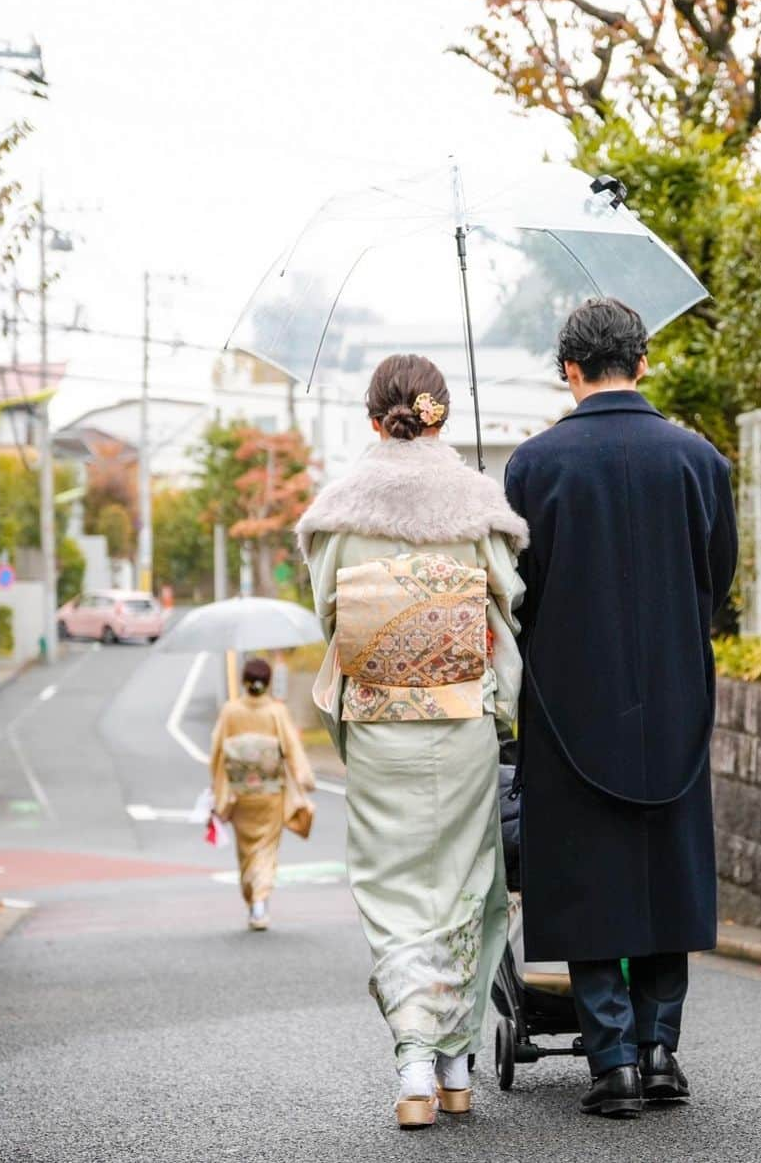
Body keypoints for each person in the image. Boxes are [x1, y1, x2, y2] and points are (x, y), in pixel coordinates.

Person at [504, 297, 738, 1120]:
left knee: (586, 872)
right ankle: (661, 1046)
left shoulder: (534, 467)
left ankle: (611, 1062)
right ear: (643, 363)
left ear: (569, 370)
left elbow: (516, 597)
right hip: (674, 691)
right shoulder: (699, 460)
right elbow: (718, 576)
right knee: (665, 867)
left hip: (569, 699)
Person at [297, 353, 527, 1130]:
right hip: (459, 719)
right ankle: (457, 1065)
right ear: (443, 417)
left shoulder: (340, 511)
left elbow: (330, 615)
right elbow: (508, 605)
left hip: (378, 722)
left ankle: (415, 1066)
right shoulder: (476, 503)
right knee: (466, 881)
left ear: (374, 419)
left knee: (395, 894)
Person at [209, 656, 316, 931]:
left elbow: (217, 752)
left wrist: (217, 786)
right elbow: (291, 748)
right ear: (268, 683)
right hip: (270, 793)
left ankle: (253, 901)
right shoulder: (275, 712)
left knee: (246, 852)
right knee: (265, 851)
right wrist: (304, 778)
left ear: (244, 682)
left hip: (239, 793)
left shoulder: (230, 711)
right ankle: (259, 905)